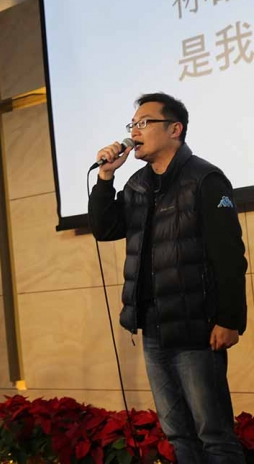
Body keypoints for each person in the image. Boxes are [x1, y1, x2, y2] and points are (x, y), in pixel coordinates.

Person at [88, 92, 247, 463]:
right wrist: (106, 177)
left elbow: (229, 255)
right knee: (178, 435)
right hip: (153, 327)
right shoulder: (137, 185)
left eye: (144, 123)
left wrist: (229, 319)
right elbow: (105, 228)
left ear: (175, 129)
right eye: (132, 125)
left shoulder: (205, 179)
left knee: (214, 435)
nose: (134, 132)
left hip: (197, 328)